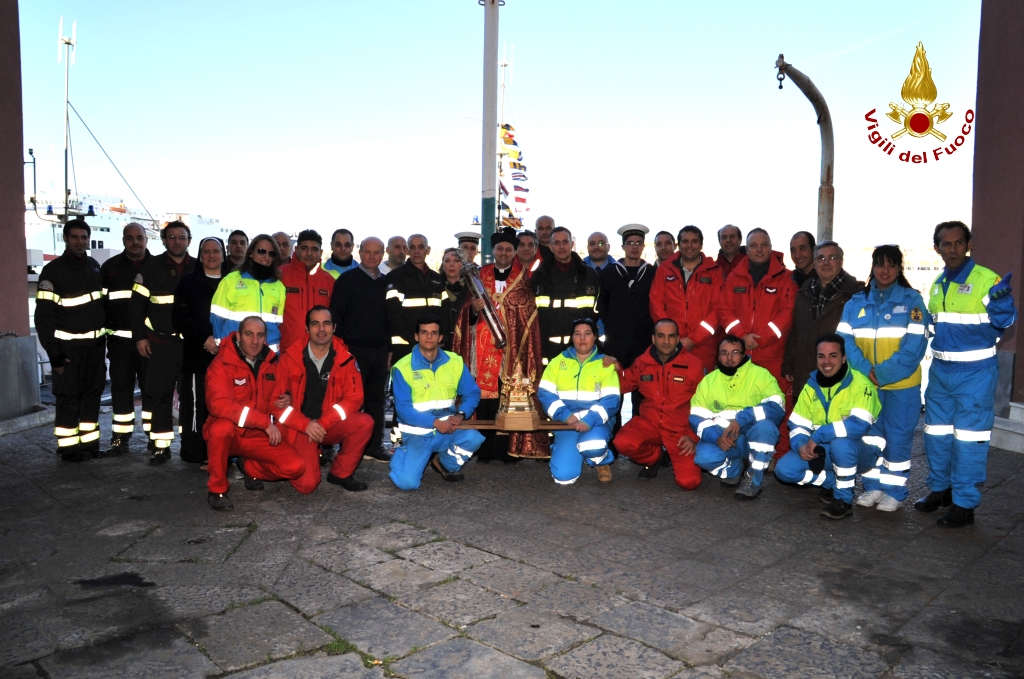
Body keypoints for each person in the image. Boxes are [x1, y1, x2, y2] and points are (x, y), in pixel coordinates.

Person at [916, 221, 1016, 528]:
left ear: (968, 244)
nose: (953, 249)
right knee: (936, 435)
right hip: (941, 373)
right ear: (937, 248)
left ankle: (964, 504)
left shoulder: (986, 279)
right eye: (946, 244)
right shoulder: (937, 283)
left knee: (968, 441)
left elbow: (1005, 321)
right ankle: (941, 490)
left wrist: (1002, 304)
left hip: (975, 374)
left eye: (959, 243)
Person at [837, 245, 928, 512]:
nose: (885, 270)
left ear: (899, 268)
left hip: (902, 386)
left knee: (898, 437)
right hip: (866, 385)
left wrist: (884, 373)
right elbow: (845, 340)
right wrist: (867, 371)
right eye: (880, 264)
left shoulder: (912, 301)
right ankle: (872, 486)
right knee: (870, 436)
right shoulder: (856, 302)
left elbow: (915, 346)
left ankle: (894, 491)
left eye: (891, 265)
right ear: (873, 267)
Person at [455, 227, 550, 461]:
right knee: (484, 399)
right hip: (481, 349)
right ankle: (484, 450)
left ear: (514, 252)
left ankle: (507, 451)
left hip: (512, 350)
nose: (504, 253)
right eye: (500, 249)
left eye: (508, 249)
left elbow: (528, 315)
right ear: (493, 251)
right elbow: (465, 311)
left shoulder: (523, 278)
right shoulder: (479, 275)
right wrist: (473, 310)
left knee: (508, 398)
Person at [775, 334, 885, 520]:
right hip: (826, 449)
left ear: (843, 358)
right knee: (784, 470)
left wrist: (818, 435)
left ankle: (843, 500)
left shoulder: (861, 384)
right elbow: (797, 424)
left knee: (841, 444)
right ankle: (832, 483)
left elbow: (858, 426)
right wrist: (801, 445)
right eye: (821, 356)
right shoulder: (811, 385)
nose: (826, 361)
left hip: (863, 452)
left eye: (833, 355)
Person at [204, 317, 308, 510]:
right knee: (220, 428)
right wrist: (263, 422)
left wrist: (288, 399)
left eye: (260, 335)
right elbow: (217, 405)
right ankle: (217, 490)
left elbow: (276, 402)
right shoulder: (222, 363)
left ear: (265, 338)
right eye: (249, 334)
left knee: (295, 467)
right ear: (238, 336)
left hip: (257, 435)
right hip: (232, 433)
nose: (254, 341)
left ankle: (249, 467)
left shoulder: (272, 363)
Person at [273, 306, 375, 492]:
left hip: (328, 425)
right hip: (300, 428)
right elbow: (276, 404)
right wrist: (305, 425)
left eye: (326, 323)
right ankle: (267, 463)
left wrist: (323, 423)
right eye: (315, 324)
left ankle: (340, 473)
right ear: (306, 328)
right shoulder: (289, 358)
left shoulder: (346, 359)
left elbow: (354, 400)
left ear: (334, 327)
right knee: (307, 486)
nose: (321, 329)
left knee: (364, 422)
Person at [717, 228, 797, 456]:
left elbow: (788, 314)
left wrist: (761, 338)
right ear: (747, 249)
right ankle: (743, 454)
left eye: (764, 245)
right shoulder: (735, 277)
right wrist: (742, 336)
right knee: (740, 406)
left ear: (771, 247)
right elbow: (724, 310)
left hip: (773, 355)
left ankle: (780, 455)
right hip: (741, 358)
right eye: (753, 245)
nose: (759, 250)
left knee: (779, 406)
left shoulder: (786, 278)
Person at [35, 218, 106, 461]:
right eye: (74, 237)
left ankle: (89, 445)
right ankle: (68, 449)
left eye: (84, 237)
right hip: (68, 351)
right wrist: (53, 352)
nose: (80, 241)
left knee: (92, 397)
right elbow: (43, 317)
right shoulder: (52, 271)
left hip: (94, 349)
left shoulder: (93, 266)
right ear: (65, 238)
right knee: (68, 399)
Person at [388, 315, 485, 490]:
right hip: (416, 434)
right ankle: (402, 455)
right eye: (424, 332)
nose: (429, 337)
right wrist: (434, 422)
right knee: (407, 483)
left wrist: (461, 414)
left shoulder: (455, 362)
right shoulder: (403, 367)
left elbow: (472, 393)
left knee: (474, 438)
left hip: (447, 429)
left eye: (434, 333)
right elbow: (403, 409)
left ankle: (443, 462)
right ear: (416, 336)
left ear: (440, 337)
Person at [130, 220, 195, 463]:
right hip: (160, 344)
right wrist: (140, 338)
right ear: (164, 240)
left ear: (189, 241)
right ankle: (161, 446)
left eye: (182, 237)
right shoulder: (149, 268)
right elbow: (136, 307)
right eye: (173, 237)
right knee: (160, 395)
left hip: (190, 346)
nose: (177, 242)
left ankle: (190, 445)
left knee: (190, 397)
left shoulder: (197, 268)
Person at [613, 319, 705, 487]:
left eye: (671, 336)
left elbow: (706, 406)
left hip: (680, 430)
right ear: (653, 339)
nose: (666, 341)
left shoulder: (694, 365)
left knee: (689, 483)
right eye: (661, 336)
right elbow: (623, 384)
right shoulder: (642, 362)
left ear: (678, 339)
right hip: (650, 423)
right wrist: (614, 367)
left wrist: (694, 437)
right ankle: (655, 457)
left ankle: (674, 454)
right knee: (622, 442)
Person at [690, 335, 784, 499]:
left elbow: (777, 407)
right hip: (724, 437)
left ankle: (754, 480)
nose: (729, 358)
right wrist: (717, 437)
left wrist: (742, 419)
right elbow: (697, 417)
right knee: (704, 459)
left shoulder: (761, 375)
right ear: (718, 356)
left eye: (735, 353)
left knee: (766, 429)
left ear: (743, 354)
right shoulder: (709, 381)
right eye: (724, 353)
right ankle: (734, 470)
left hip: (752, 437)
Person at [331, 237, 393, 463]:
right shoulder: (347, 280)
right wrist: (340, 351)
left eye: (377, 252)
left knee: (377, 400)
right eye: (368, 252)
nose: (372, 256)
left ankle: (374, 447)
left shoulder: (387, 283)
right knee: (352, 400)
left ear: (383, 254)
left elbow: (391, 319)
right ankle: (349, 448)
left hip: (380, 351)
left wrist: (389, 350)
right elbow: (335, 316)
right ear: (360, 252)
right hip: (353, 351)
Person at [538, 318, 620, 484]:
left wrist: (589, 419)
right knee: (564, 478)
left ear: (594, 337)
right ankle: (568, 449)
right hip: (567, 423)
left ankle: (601, 461)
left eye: (587, 333)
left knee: (593, 445)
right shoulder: (557, 362)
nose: (582, 338)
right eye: (577, 334)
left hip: (596, 423)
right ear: (572, 337)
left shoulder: (605, 364)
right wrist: (566, 416)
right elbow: (545, 394)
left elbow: (611, 400)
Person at [782, 240, 864, 399]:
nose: (826, 263)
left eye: (832, 257)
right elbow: (796, 331)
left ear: (841, 261)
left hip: (841, 378)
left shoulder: (856, 293)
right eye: (821, 258)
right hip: (805, 375)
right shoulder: (804, 291)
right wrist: (789, 364)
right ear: (814, 262)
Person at [173, 236, 226, 465]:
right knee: (196, 406)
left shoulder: (232, 282)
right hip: (197, 354)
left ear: (223, 255)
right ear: (200, 255)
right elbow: (179, 318)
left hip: (226, 356)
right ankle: (195, 452)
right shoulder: (188, 283)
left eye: (216, 251)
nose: (211, 255)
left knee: (222, 405)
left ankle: (222, 451)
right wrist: (204, 339)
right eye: (206, 251)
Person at [100, 222, 151, 456]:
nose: (135, 242)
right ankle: (120, 439)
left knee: (152, 391)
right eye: (130, 238)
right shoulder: (110, 268)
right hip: (120, 345)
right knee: (121, 391)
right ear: (123, 241)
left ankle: (154, 438)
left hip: (150, 343)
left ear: (146, 240)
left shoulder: (156, 266)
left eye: (139, 237)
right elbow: (100, 306)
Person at [598, 224, 655, 432]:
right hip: (616, 345)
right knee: (614, 393)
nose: (634, 247)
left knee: (643, 395)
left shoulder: (652, 273)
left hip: (644, 344)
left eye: (638, 243)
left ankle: (640, 438)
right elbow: (602, 307)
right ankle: (613, 438)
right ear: (623, 246)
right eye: (630, 243)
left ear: (643, 246)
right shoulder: (608, 274)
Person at [649, 225, 723, 372]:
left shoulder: (714, 271)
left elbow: (718, 309)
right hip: (671, 345)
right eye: (685, 241)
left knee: (703, 384)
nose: (689, 246)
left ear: (701, 245)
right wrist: (671, 336)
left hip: (704, 344)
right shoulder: (665, 270)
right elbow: (655, 304)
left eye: (694, 241)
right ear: (679, 245)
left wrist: (694, 339)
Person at [532, 227, 600, 364]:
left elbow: (598, 312)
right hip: (548, 351)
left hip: (581, 349)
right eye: (556, 243)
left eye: (565, 242)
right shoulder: (539, 276)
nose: (561, 247)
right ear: (550, 247)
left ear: (572, 244)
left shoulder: (589, 275)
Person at [211, 234, 287, 352]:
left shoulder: (279, 286)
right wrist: (221, 346)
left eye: (271, 253)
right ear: (251, 252)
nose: (266, 257)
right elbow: (217, 318)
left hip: (268, 353)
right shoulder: (231, 280)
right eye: (261, 251)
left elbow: (277, 322)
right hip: (236, 351)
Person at [385, 234, 444, 362]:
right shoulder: (395, 277)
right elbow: (394, 315)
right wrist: (416, 341)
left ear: (428, 250)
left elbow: (444, 313)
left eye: (421, 247)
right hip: (404, 349)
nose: (417, 251)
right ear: (407, 250)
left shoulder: (437, 279)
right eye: (412, 247)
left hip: (433, 349)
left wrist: (438, 340)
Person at [278, 230, 334, 352]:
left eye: (314, 249)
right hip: (287, 351)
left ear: (321, 252)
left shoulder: (329, 281)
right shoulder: (280, 275)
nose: (309, 253)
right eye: (304, 248)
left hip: (319, 352)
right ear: (296, 249)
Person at [439, 248, 467, 351]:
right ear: (443, 264)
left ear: (463, 264)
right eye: (447, 261)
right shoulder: (434, 285)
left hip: (465, 342)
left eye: (456, 261)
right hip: (440, 344)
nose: (451, 264)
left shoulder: (472, 287)